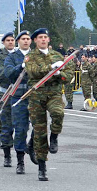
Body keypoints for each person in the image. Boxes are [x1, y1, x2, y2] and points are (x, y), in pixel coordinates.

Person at [25, 28, 74, 181]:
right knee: (39, 131)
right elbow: (33, 72)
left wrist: (61, 74)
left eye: (45, 37)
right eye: (40, 37)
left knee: (58, 113)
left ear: (49, 40)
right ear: (35, 40)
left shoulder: (57, 56)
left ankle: (54, 136)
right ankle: (42, 167)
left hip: (54, 93)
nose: (43, 40)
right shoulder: (30, 57)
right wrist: (51, 68)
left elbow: (69, 74)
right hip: (37, 95)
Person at [3, 30, 34, 174]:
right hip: (18, 96)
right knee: (20, 129)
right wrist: (21, 66)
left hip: (35, 95)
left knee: (39, 126)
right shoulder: (12, 57)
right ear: (18, 41)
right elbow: (9, 74)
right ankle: (20, 160)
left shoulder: (37, 56)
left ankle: (32, 145)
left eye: (28, 39)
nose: (26, 41)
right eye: (23, 39)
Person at [0, 32, 15, 167]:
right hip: (5, 92)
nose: (10, 42)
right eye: (8, 40)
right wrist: (17, 71)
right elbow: (2, 73)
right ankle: (7, 155)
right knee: (6, 125)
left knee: (19, 124)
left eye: (12, 40)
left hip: (20, 93)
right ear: (3, 42)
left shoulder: (21, 56)